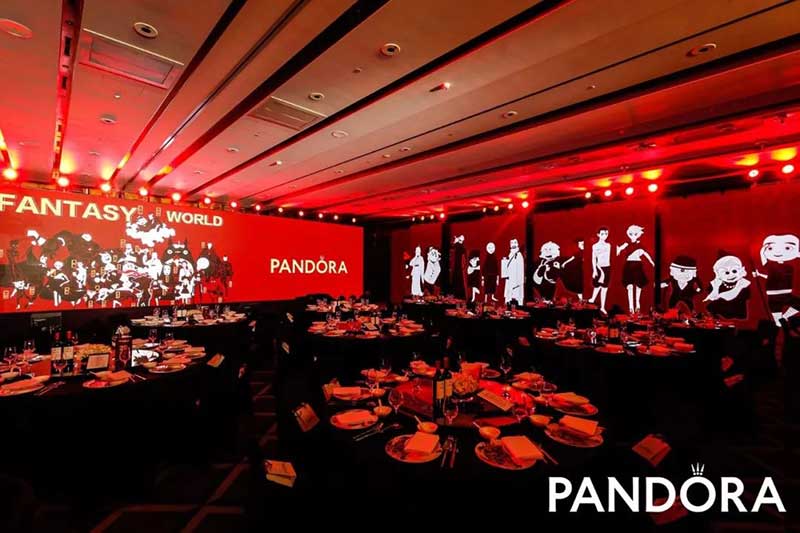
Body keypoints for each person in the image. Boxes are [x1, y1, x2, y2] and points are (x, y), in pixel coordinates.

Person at [753, 234, 800, 326]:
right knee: (777, 321)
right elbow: (769, 275)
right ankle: (781, 321)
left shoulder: (789, 267)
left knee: (797, 305)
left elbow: (775, 277)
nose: (778, 252)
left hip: (786, 294)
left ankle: (785, 317)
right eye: (770, 248)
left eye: (787, 248)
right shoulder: (770, 265)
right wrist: (759, 274)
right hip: (773, 295)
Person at [616, 224, 654, 314]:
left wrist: (651, 261)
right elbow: (619, 249)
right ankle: (631, 307)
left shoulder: (640, 245)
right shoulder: (627, 244)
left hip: (637, 265)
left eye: (635, 234)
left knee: (638, 286)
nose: (633, 236)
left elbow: (646, 254)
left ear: (639, 234)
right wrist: (618, 250)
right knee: (629, 287)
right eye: (631, 234)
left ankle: (637, 305)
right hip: (629, 265)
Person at [705, 254, 751, 320]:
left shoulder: (744, 284)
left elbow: (746, 299)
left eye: (734, 271)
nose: (731, 275)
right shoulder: (716, 284)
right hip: (720, 317)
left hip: (739, 316)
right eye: (726, 272)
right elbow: (711, 299)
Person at [588, 227, 611, 313]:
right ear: (598, 235)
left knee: (604, 288)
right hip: (599, 267)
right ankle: (593, 299)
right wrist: (594, 270)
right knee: (597, 286)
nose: (604, 236)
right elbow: (593, 258)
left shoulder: (608, 245)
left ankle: (602, 307)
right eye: (602, 234)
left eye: (606, 234)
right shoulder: (595, 246)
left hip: (607, 267)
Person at [503, 238, 525, 305]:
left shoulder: (519, 255)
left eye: (515, 242)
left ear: (517, 244)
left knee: (518, 296)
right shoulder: (509, 254)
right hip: (510, 279)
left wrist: (519, 282)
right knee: (509, 296)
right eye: (512, 243)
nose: (513, 244)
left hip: (517, 280)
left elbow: (521, 270)